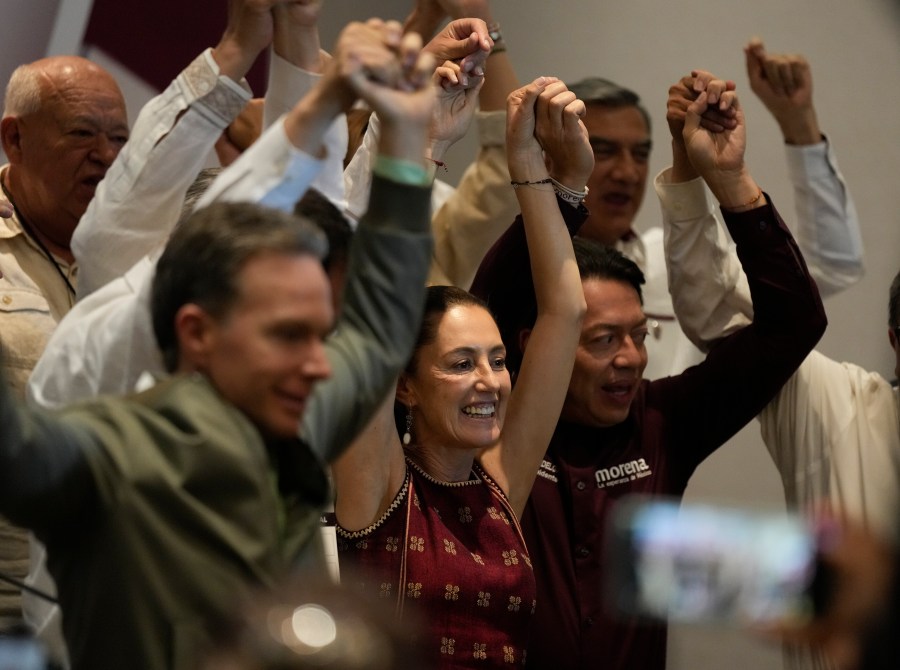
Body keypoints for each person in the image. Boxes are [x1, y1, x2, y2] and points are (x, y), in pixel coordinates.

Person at [0, 19, 438, 670]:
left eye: (321, 334)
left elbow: (380, 327)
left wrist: (406, 135)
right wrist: (320, 104)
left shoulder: (299, 412)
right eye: (286, 336)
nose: (319, 362)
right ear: (196, 333)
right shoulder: (109, 455)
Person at [469, 77, 827, 670]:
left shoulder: (663, 422)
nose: (631, 359)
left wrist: (731, 180)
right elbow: (494, 306)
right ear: (539, 346)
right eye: (603, 340)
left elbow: (794, 323)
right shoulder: (494, 427)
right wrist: (560, 182)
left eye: (639, 336)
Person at [333, 77, 588, 668]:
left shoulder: (500, 482)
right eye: (460, 363)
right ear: (405, 385)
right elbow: (375, 296)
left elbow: (565, 309)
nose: (491, 381)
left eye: (498, 361)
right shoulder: (377, 484)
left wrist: (528, 162)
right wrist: (425, 145)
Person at [0, 51, 128, 632]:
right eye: (82, 134)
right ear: (15, 140)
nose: (105, 156)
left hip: (104, 613)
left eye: (120, 139)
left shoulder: (139, 257)